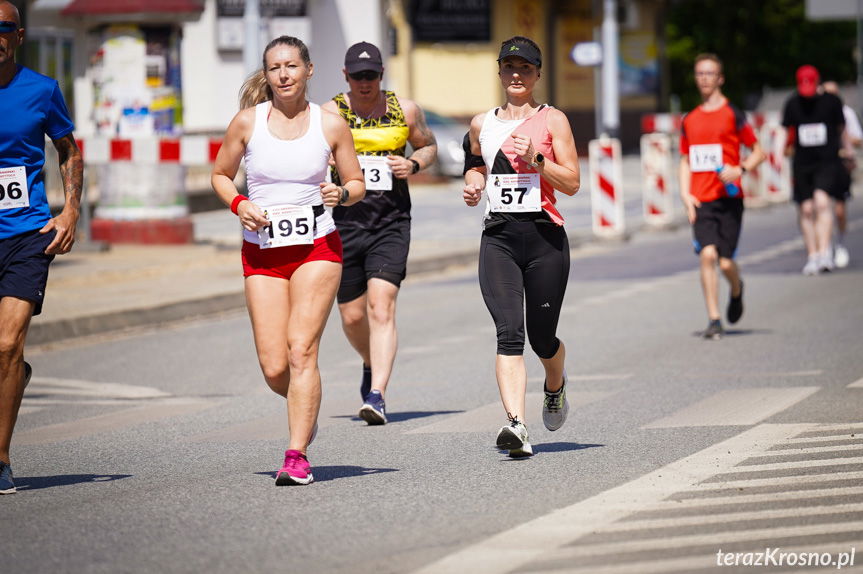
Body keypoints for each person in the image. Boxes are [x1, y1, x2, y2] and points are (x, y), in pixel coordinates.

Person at [211, 36, 364, 486]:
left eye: (292, 66)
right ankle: (305, 403)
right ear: (267, 73)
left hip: (318, 248)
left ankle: (296, 454)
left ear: (308, 70)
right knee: (275, 366)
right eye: (275, 67)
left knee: (302, 349)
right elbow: (220, 175)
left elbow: (356, 182)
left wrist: (342, 192)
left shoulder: (330, 124)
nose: (283, 74)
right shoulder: (246, 122)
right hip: (261, 251)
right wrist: (239, 203)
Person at [463, 36, 580, 458]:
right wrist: (474, 184)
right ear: (499, 72)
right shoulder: (481, 124)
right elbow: (475, 164)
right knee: (509, 332)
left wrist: (538, 161)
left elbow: (572, 183)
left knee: (542, 338)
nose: (516, 75)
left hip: (545, 238)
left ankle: (555, 383)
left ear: (537, 75)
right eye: (509, 67)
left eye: (525, 68)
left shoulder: (553, 121)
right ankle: (516, 424)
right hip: (499, 238)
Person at [321, 41, 437, 425]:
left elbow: (429, 145)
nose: (364, 83)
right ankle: (370, 361)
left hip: (390, 222)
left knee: (381, 306)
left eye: (371, 75)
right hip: (343, 224)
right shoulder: (329, 113)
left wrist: (413, 163)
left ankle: (377, 394)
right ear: (345, 76)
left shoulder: (406, 110)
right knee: (352, 316)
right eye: (357, 76)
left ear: (381, 75)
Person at [0, 1, 83, 495]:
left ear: (19, 34)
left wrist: (70, 211)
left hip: (27, 233)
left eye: (3, 27)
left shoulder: (41, 90)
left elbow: (69, 149)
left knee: (8, 344)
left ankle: (2, 458)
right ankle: (14, 375)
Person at [678, 53, 765, 340]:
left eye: (709, 73)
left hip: (729, 198)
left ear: (720, 78)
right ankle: (714, 319)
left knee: (725, 262)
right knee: (707, 254)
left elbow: (759, 152)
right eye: (700, 73)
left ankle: (737, 288)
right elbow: (685, 160)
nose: (704, 78)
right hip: (701, 199)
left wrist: (739, 168)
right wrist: (685, 195)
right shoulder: (689, 119)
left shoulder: (733, 114)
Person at [782, 65, 846, 276]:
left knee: (821, 202)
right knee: (806, 209)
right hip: (802, 164)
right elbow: (786, 133)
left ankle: (825, 251)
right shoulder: (792, 104)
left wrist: (847, 152)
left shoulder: (832, 102)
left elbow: (841, 130)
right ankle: (813, 255)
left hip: (827, 161)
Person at [821, 80, 861, 268]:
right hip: (822, 166)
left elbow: (857, 138)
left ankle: (841, 244)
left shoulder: (846, 113)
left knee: (838, 210)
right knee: (821, 208)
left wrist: (847, 151)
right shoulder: (816, 111)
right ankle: (825, 248)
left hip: (840, 164)